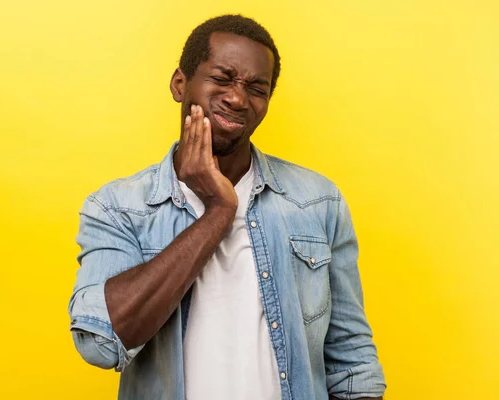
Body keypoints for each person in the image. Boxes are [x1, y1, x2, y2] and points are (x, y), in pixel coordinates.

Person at [68, 14, 386, 400]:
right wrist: (220, 211)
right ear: (179, 83)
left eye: (257, 88)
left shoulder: (316, 202)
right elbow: (101, 343)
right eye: (222, 79)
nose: (238, 98)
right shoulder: (118, 207)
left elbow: (352, 363)